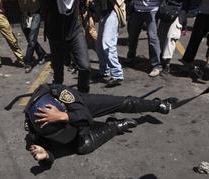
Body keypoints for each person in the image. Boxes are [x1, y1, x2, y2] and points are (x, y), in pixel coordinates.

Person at [24, 83, 173, 164]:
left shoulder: (62, 95)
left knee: (124, 103)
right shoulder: (36, 127)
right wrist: (47, 155)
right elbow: (48, 152)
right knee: (84, 146)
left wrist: (63, 116)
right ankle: (114, 125)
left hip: (81, 106)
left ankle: (157, 105)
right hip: (71, 120)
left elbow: (85, 116)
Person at [44, 0, 91, 93]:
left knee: (85, 67)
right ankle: (57, 95)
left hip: (75, 32)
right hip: (56, 35)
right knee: (58, 75)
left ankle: (83, 94)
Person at [126, 0, 163, 77]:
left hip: (152, 10)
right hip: (136, 10)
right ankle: (131, 57)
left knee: (152, 38)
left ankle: (157, 65)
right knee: (132, 35)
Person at [95, 0, 126, 86]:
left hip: (112, 12)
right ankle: (104, 71)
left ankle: (117, 74)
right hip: (103, 13)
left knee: (107, 43)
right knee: (99, 46)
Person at [157, 0, 190, 73]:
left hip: (178, 13)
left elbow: (186, 6)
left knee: (170, 38)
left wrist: (184, 24)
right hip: (165, 12)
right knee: (161, 37)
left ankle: (166, 63)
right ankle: (159, 60)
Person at [17, 0, 50, 73]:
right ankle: (42, 54)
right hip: (24, 15)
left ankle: (28, 63)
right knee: (31, 39)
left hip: (35, 14)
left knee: (31, 40)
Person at [180, 0, 209, 79]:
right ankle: (186, 65)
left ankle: (207, 66)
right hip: (203, 13)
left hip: (203, 13)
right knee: (194, 40)